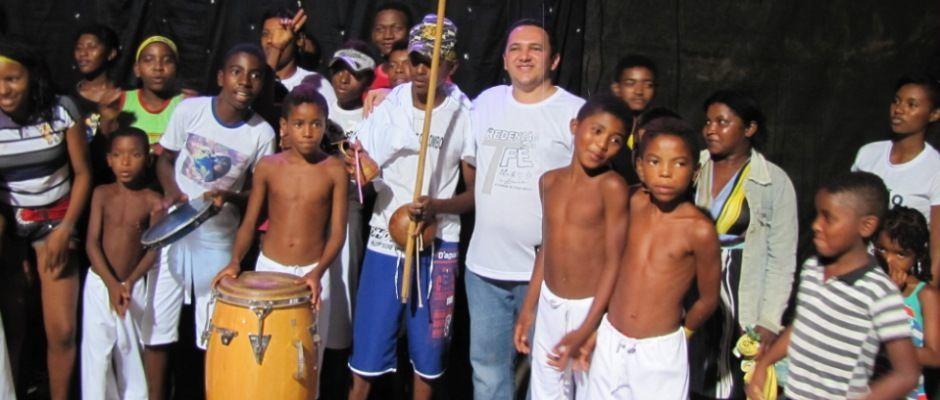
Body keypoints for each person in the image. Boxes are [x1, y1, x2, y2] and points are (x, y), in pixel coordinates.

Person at [345, 15, 474, 400]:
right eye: (417, 59)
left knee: (428, 361)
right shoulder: (392, 104)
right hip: (386, 241)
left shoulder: (463, 112)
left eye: (434, 62)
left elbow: (472, 197)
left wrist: (436, 205)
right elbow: (359, 166)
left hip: (438, 247)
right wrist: (359, 171)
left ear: (452, 67)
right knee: (366, 357)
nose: (422, 70)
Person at [143, 43, 276, 400]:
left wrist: (229, 197)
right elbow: (164, 159)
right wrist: (172, 192)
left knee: (214, 333)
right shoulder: (190, 111)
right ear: (220, 76)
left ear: (262, 84)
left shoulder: (262, 134)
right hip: (174, 232)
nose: (244, 80)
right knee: (158, 329)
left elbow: (258, 198)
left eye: (255, 74)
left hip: (218, 240)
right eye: (236, 71)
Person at [551, 123, 721, 399]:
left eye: (679, 163)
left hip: (659, 352)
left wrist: (682, 334)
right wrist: (594, 330)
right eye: (655, 162)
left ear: (695, 172)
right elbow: (609, 267)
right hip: (609, 338)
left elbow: (708, 299)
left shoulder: (698, 229)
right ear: (640, 167)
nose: (665, 173)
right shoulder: (627, 201)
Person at [464, 19, 585, 399]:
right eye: (516, 48)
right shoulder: (486, 102)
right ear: (503, 60)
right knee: (487, 370)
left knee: (548, 374)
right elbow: (470, 163)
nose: (525, 56)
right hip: (484, 270)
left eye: (535, 48)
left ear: (554, 59)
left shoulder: (576, 113)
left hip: (549, 276)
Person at [213, 85, 348, 384]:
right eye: (299, 124)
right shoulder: (269, 167)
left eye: (316, 123)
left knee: (308, 362)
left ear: (325, 125)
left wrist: (317, 272)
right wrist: (235, 261)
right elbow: (249, 222)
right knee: (265, 363)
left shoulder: (334, 170)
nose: (308, 132)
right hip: (270, 269)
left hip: (312, 274)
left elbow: (337, 232)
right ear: (284, 126)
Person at [747, 172, 921, 400]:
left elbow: (906, 374)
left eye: (828, 218)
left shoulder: (879, 292)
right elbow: (803, 326)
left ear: (866, 226)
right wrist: (764, 364)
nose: (816, 225)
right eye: (817, 214)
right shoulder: (813, 268)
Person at [512, 95, 630, 399]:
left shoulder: (612, 187)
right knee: (547, 387)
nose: (602, 144)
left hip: (591, 309)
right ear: (575, 126)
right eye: (596, 130)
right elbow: (546, 247)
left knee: (592, 388)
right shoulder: (549, 182)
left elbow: (616, 261)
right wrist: (529, 307)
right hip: (550, 304)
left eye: (615, 140)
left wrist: (590, 326)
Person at [688, 90, 798, 399]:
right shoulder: (693, 166)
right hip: (693, 286)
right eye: (708, 121)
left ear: (749, 129)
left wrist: (769, 320)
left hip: (741, 296)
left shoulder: (773, 181)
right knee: (692, 369)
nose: (711, 129)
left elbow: (781, 259)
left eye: (722, 122)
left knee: (732, 379)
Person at [0, 40, 93, 400]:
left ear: (31, 77)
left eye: (13, 79)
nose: (4, 89)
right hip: (11, 226)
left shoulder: (61, 110)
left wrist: (67, 228)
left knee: (63, 329)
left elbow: (83, 173)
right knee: (13, 323)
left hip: (57, 221)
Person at [81, 127, 161, 400]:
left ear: (148, 159)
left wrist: (128, 282)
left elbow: (153, 249)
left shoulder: (154, 201)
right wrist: (112, 284)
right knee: (97, 352)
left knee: (130, 352)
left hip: (133, 286)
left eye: (135, 154)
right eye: (118, 155)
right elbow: (91, 242)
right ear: (108, 159)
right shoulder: (101, 194)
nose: (126, 162)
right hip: (100, 283)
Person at [852, 74, 940, 285]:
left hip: (902, 283)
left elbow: (937, 247)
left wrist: (926, 291)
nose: (899, 110)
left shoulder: (936, 168)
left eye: (912, 105)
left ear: (934, 114)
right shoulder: (868, 154)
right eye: (896, 101)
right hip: (859, 276)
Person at [321, 41, 375, 356]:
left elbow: (373, 180)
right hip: (311, 203)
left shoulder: (375, 116)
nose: (344, 79)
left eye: (353, 74)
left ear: (367, 79)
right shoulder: (319, 108)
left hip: (350, 207)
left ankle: (339, 353)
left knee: (342, 282)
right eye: (338, 71)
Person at [876, 206, 940, 400]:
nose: (889, 260)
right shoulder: (869, 284)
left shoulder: (925, 295)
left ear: (917, 256)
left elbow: (935, 356)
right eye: (882, 249)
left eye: (900, 254)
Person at [260, 7, 336, 103]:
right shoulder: (252, 77)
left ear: (299, 40)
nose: (271, 40)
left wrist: (277, 48)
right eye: (265, 34)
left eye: (279, 33)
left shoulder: (315, 82)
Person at [608, 54, 656, 182]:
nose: (639, 91)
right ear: (616, 88)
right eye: (630, 84)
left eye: (648, 85)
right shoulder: (605, 135)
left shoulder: (659, 134)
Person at [71, 23, 120, 141]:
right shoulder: (68, 97)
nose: (83, 53)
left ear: (111, 53)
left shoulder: (128, 95)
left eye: (91, 47)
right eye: (79, 48)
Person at [367, 2, 413, 90]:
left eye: (397, 28)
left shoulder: (425, 77)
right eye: (379, 29)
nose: (388, 36)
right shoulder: (368, 80)